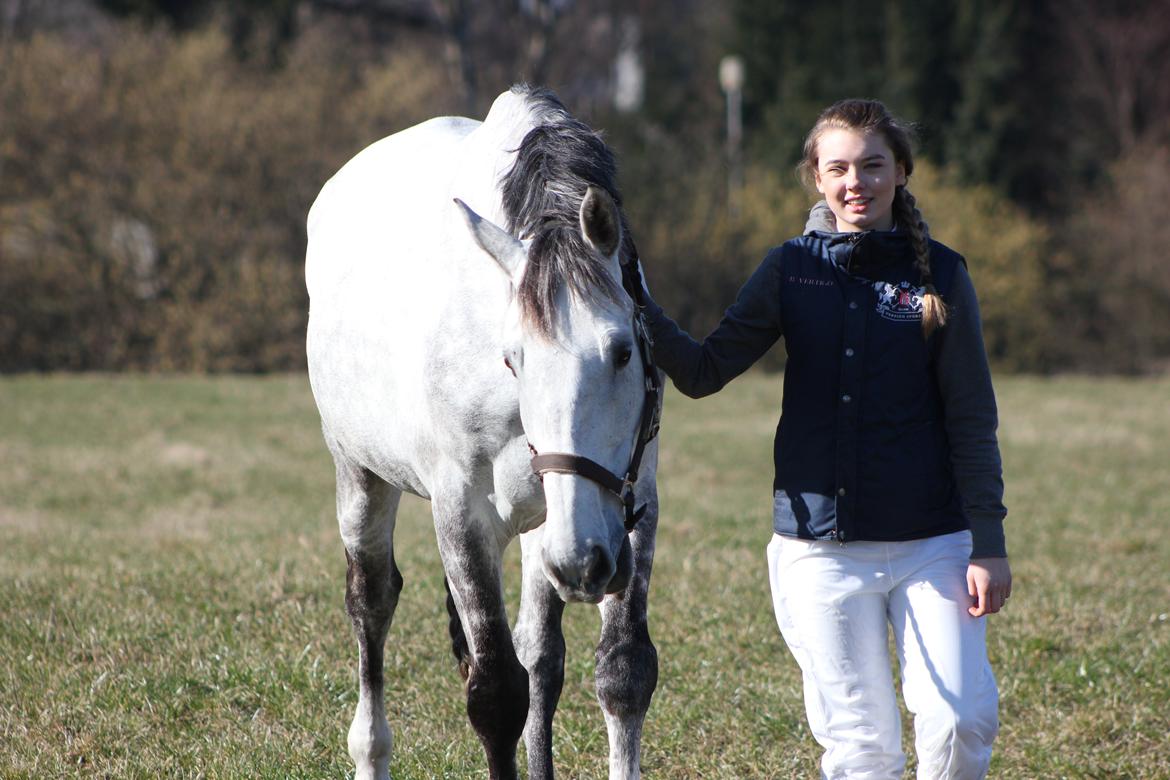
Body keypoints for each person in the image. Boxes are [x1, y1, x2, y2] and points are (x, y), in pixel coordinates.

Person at [636, 98, 1012, 779]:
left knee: (960, 719)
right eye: (838, 167)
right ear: (816, 177)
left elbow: (972, 418)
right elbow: (702, 370)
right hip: (820, 553)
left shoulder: (944, 275)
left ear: (900, 171)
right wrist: (631, 296)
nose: (855, 183)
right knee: (861, 748)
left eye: (872, 166)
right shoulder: (790, 269)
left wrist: (988, 544)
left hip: (934, 543)